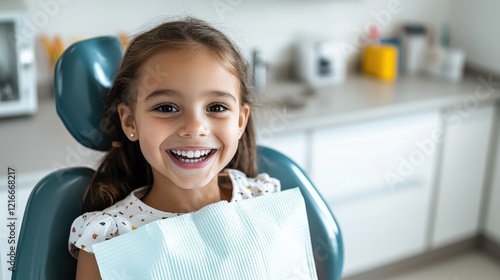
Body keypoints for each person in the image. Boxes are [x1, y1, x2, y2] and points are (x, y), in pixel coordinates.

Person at [68, 17, 280, 280]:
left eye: (216, 107)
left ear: (239, 121)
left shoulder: (264, 200)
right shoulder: (107, 238)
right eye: (166, 108)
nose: (194, 127)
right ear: (130, 121)